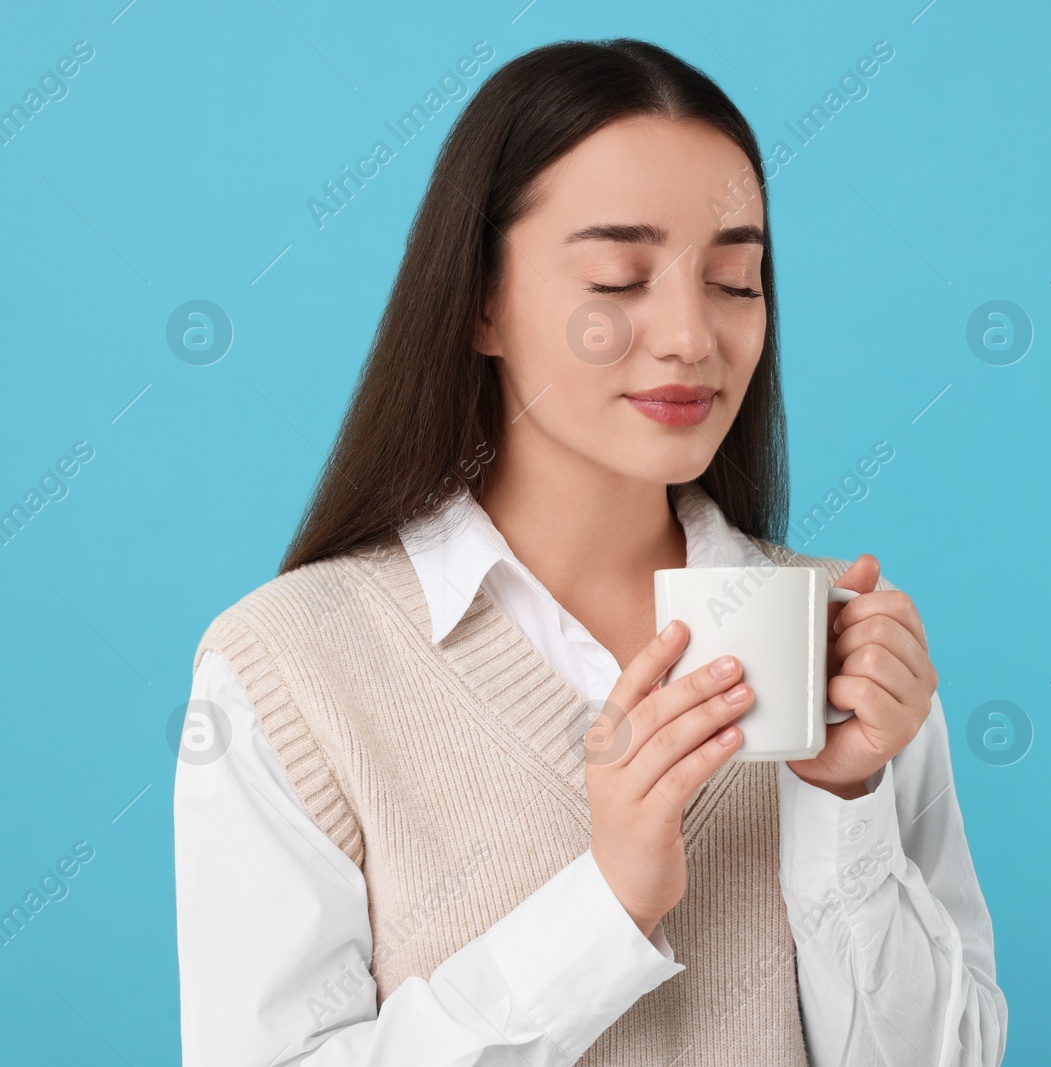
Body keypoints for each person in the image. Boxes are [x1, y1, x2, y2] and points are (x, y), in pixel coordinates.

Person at [173, 37, 1005, 1066]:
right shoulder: (290, 669)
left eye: (735, 280)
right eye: (619, 276)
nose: (689, 334)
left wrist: (845, 802)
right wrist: (602, 905)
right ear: (480, 300)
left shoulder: (842, 646)